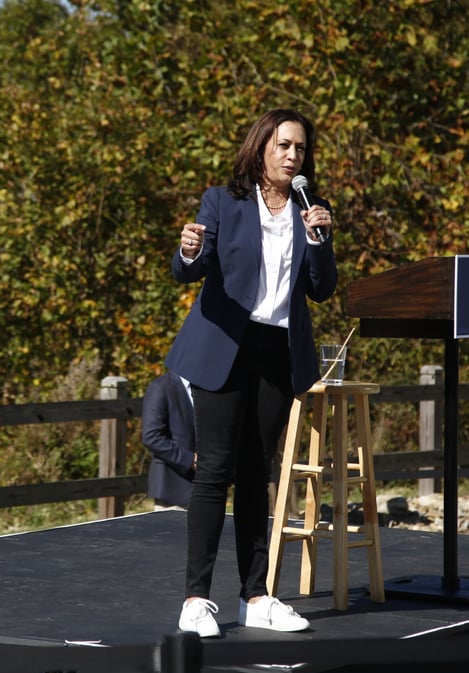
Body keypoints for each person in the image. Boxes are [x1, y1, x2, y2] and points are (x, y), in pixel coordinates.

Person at [165, 108, 337, 636]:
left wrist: (319, 241)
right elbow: (190, 268)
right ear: (261, 147)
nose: (292, 156)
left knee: (256, 475)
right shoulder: (224, 200)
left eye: (300, 149)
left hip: (276, 349)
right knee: (215, 470)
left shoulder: (312, 210)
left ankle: (256, 596)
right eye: (283, 145)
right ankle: (196, 601)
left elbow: (321, 287)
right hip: (225, 346)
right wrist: (188, 249)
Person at [141, 370, 197, 510]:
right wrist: (190, 459)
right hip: (172, 489)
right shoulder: (160, 388)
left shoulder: (206, 389)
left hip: (204, 489)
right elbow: (152, 436)